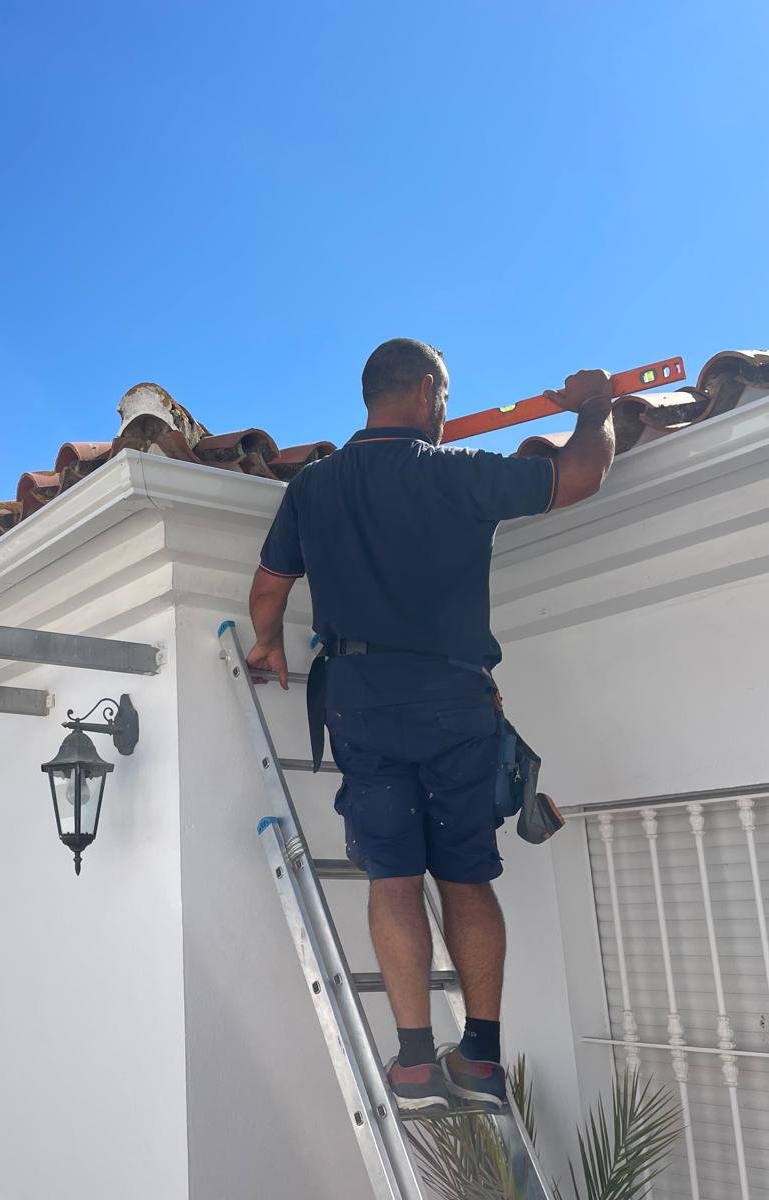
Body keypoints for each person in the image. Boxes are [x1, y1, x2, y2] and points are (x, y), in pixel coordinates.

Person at [245, 338, 616, 1113]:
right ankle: (478, 1057)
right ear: (423, 390)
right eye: (445, 396)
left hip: (361, 698)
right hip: (453, 700)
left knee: (393, 877)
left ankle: (415, 1059)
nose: (448, 411)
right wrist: (595, 406)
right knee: (465, 876)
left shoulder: (313, 488)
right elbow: (582, 474)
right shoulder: (455, 474)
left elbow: (270, 586)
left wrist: (266, 641)